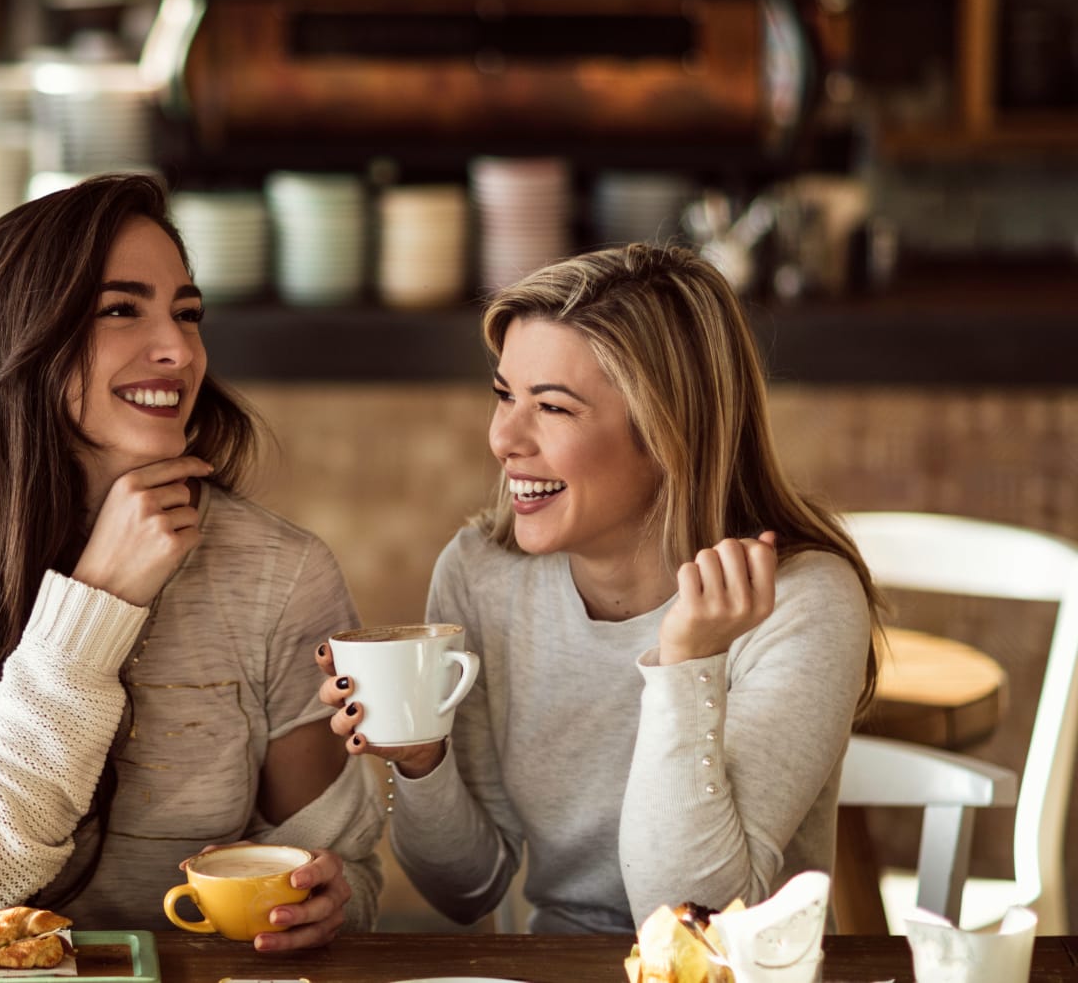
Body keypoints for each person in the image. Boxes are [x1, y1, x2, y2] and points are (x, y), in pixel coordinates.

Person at [0, 174, 382, 947]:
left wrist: (328, 902)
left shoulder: (281, 573)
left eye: (187, 313)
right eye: (120, 310)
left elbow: (346, 876)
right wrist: (99, 598)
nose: (178, 350)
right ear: (18, 339)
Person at [319, 243, 883, 934]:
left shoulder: (798, 601)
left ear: (670, 431)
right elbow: (464, 890)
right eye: (504, 395)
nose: (504, 438)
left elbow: (689, 918)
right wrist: (420, 760)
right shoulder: (482, 575)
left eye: (552, 408)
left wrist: (687, 665)